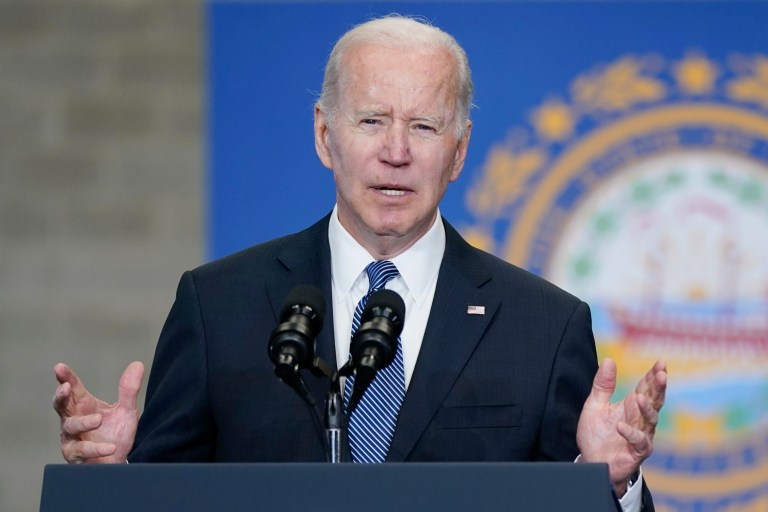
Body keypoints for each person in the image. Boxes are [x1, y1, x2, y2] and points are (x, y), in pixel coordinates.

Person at [53, 15, 666, 511]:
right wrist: (113, 483)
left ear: (459, 152)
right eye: (371, 121)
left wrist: (608, 485)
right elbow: (166, 500)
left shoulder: (544, 325)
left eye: (424, 126)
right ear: (325, 135)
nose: (395, 153)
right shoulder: (219, 305)